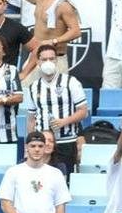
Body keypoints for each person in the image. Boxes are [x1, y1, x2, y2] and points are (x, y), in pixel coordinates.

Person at [0, 131, 70, 213]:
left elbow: (60, 205)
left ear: (45, 148)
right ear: (26, 147)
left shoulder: (56, 173)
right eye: (33, 146)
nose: (37, 149)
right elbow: (5, 203)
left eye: (40, 146)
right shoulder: (13, 172)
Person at [24, 45, 87, 178]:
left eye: (51, 59)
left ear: (56, 61)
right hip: (42, 143)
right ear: (38, 62)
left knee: (65, 179)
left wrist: (64, 121)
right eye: (44, 59)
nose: (48, 62)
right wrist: (28, 144)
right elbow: (31, 119)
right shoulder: (33, 87)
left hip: (67, 140)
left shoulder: (71, 82)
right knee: (40, 179)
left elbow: (83, 112)